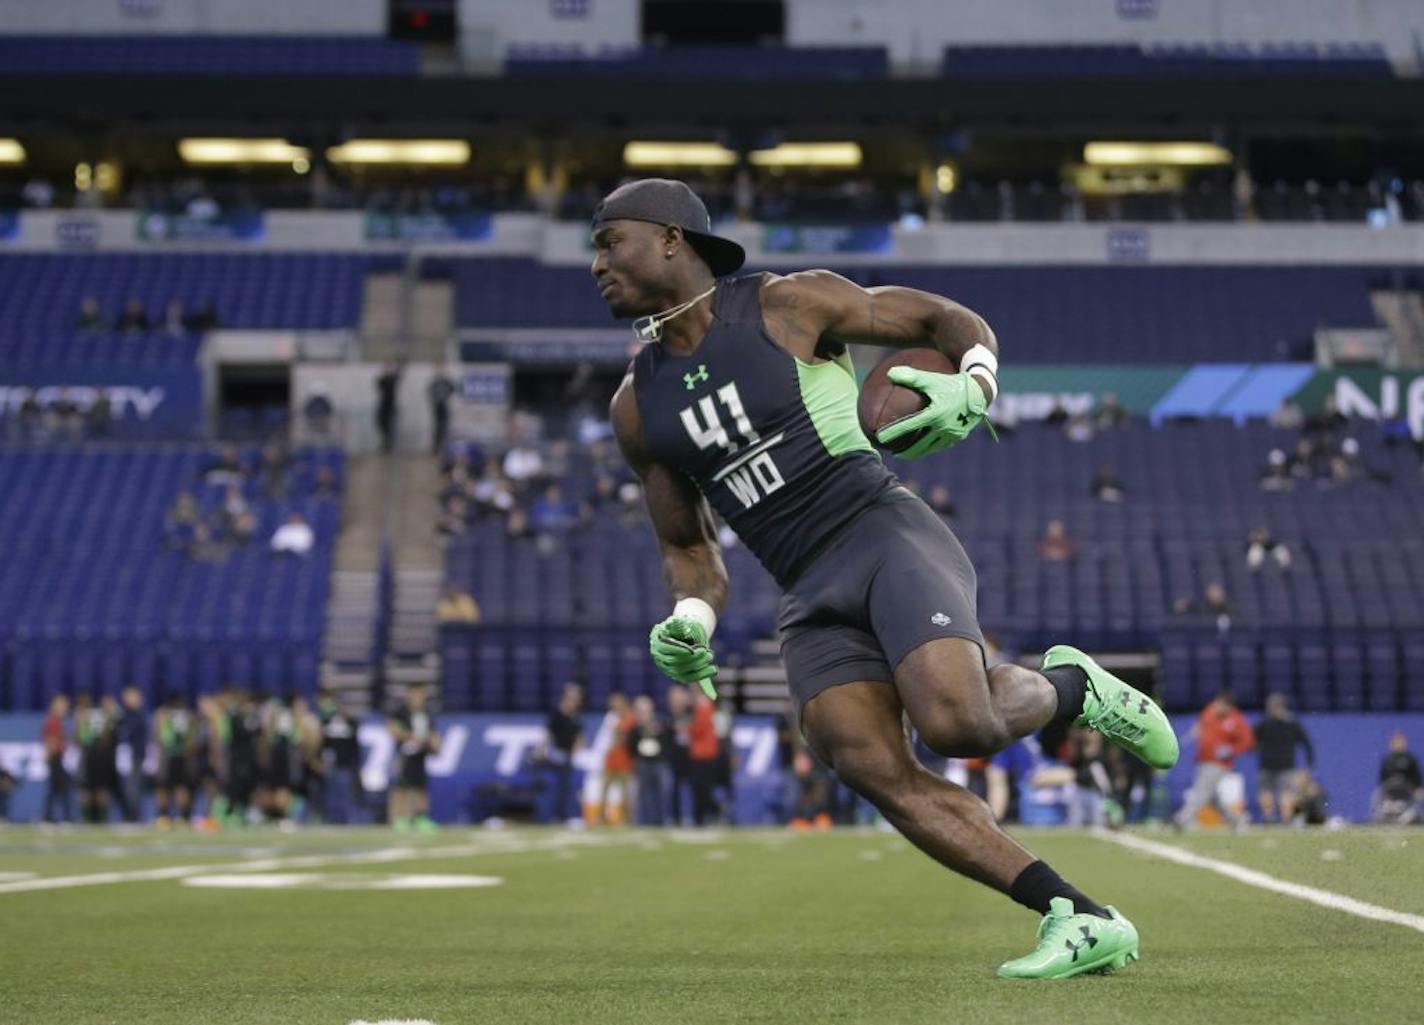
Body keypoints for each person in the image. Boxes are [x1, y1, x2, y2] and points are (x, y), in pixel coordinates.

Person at [597, 178, 1172, 977]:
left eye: (608, 240)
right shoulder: (635, 406)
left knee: (958, 727)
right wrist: (691, 616)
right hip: (803, 586)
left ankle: (1072, 687)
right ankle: (1075, 913)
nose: (596, 262)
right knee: (865, 759)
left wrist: (975, 383)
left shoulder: (785, 305)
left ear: (669, 238)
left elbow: (944, 319)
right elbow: (689, 549)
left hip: (879, 532)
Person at [1175, 691, 1254, 831]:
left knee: (1202, 790)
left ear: (1229, 707)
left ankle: (1184, 818)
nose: (1217, 707)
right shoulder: (1209, 710)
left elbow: (1247, 742)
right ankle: (1237, 820)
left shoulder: (1236, 719)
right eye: (1217, 703)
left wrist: (1231, 749)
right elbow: (1201, 726)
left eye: (1221, 705)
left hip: (1219, 763)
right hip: (1203, 760)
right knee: (1212, 797)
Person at [1254, 694, 1314, 824]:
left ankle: (1271, 818)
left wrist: (1257, 749)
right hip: (1283, 764)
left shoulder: (1265, 723)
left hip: (1270, 763)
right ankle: (1283, 819)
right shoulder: (1292, 723)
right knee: (1282, 792)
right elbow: (1306, 743)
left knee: (1271, 791)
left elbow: (1252, 740)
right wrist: (1310, 763)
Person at [388, 682, 440, 832]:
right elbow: (392, 728)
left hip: (421, 755)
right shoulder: (401, 712)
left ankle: (421, 818)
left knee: (421, 787)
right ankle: (400, 818)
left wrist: (435, 744)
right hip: (404, 755)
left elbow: (433, 734)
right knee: (401, 787)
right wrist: (411, 736)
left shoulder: (427, 713)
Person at [318, 690, 364, 825]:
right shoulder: (328, 721)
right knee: (331, 796)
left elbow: (355, 747)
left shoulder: (352, 723)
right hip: (331, 766)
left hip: (346, 766)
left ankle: (345, 821)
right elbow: (324, 744)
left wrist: (355, 765)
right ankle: (330, 821)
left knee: (345, 796)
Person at [542, 683, 584, 825]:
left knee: (566, 787)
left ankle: (564, 815)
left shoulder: (575, 717)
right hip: (557, 754)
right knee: (557, 787)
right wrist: (542, 749)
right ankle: (556, 816)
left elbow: (579, 736)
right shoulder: (557, 714)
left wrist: (576, 750)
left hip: (568, 755)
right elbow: (548, 734)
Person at [155, 693, 196, 828]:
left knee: (163, 788)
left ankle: (163, 817)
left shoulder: (163, 714)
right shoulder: (189, 716)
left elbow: (159, 737)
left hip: (167, 755)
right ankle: (182, 818)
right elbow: (192, 739)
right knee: (182, 787)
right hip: (183, 755)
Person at [628, 696, 669, 826]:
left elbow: (666, 743)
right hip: (643, 763)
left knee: (662, 793)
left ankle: (661, 821)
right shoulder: (635, 729)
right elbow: (631, 746)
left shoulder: (659, 725)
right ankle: (645, 822)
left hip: (659, 763)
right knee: (645, 795)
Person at [597, 693, 636, 826]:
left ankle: (628, 820)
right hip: (610, 761)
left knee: (625, 795)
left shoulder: (630, 718)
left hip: (624, 762)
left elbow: (626, 739)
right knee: (603, 792)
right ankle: (601, 819)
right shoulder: (611, 718)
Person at [1372, 731, 1422, 824]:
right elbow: (1382, 779)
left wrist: (1418, 789)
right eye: (1396, 742)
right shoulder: (1387, 759)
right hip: (1390, 790)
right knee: (1377, 795)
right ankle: (1380, 817)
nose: (1398, 744)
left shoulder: (1410, 758)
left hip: (1407, 790)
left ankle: (1412, 816)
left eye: (1400, 741)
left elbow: (1417, 777)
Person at [116, 686, 148, 823]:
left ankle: (134, 815)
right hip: (123, 756)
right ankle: (129, 814)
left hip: (135, 755)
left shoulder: (138, 715)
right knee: (126, 787)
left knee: (132, 786)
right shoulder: (125, 714)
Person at [41, 695, 74, 823]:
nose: (65, 708)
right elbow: (50, 739)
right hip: (55, 757)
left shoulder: (55, 721)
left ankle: (49, 816)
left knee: (55, 789)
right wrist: (50, 753)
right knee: (61, 787)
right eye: (63, 705)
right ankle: (62, 816)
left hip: (56, 757)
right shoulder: (53, 721)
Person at [375, 360, 401, 453]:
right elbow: (379, 385)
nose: (387, 368)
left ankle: (389, 444)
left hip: (391, 404)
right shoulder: (382, 378)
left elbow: (396, 378)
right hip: (383, 404)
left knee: (392, 426)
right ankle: (385, 442)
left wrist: (392, 371)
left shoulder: (393, 378)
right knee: (381, 424)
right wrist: (385, 373)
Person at [428, 368, 456, 454]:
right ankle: (436, 447)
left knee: (444, 427)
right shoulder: (434, 382)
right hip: (437, 406)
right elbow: (430, 391)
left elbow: (452, 387)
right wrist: (435, 399)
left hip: (443, 405)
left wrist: (446, 396)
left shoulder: (445, 382)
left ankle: (443, 447)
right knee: (438, 428)